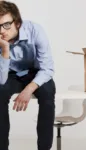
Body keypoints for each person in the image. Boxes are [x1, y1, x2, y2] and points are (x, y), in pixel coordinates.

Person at [0, 1, 56, 150]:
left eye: (6, 25)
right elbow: (1, 79)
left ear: (17, 23)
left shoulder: (35, 30)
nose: (2, 31)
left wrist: (28, 89)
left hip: (36, 73)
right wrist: (5, 50)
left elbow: (47, 68)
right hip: (11, 75)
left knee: (48, 93)